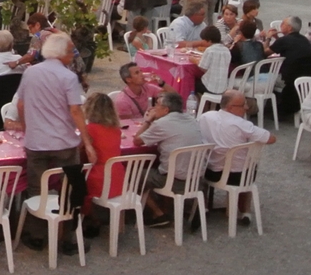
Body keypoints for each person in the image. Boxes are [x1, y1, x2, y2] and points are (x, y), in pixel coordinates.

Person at [14, 33, 95, 250]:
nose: (73, 54)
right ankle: (68, 238)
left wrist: (27, 129)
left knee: (36, 188)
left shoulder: (30, 72)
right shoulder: (68, 77)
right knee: (70, 188)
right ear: (61, 53)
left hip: (36, 141)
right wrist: (86, 141)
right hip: (63, 141)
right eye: (70, 51)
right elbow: (75, 110)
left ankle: (37, 234)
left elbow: (21, 105)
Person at [197, 90, 275, 222]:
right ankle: (245, 211)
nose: (246, 107)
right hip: (237, 176)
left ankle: (203, 206)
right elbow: (271, 139)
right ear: (230, 107)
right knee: (248, 166)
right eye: (243, 105)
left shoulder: (205, 117)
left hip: (210, 172)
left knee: (200, 169)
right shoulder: (242, 124)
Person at [131, 90, 204, 223]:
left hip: (175, 180)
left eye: (157, 105)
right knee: (162, 165)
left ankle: (158, 213)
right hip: (196, 179)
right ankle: (167, 207)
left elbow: (137, 140)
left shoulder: (162, 124)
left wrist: (148, 121)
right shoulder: (192, 120)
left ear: (166, 110)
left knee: (132, 174)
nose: (154, 108)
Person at [81, 92, 125, 231]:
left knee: (74, 179)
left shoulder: (90, 129)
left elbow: (79, 150)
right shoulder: (116, 129)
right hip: (118, 178)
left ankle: (88, 218)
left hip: (100, 178)